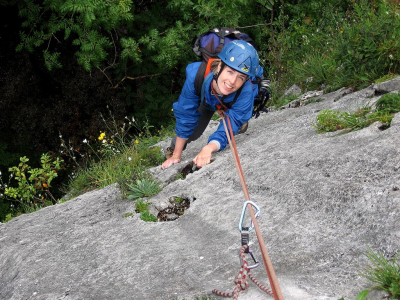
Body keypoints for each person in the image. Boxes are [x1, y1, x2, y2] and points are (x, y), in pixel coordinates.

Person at [162, 40, 261, 170]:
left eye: (241, 77)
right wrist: (176, 155)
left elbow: (233, 120)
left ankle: (236, 116)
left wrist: (209, 148)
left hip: (233, 101)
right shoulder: (197, 76)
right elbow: (186, 114)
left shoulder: (246, 89)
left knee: (236, 121)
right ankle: (174, 148)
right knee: (193, 133)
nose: (232, 81)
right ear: (220, 66)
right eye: (230, 71)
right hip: (208, 99)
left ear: (246, 80)